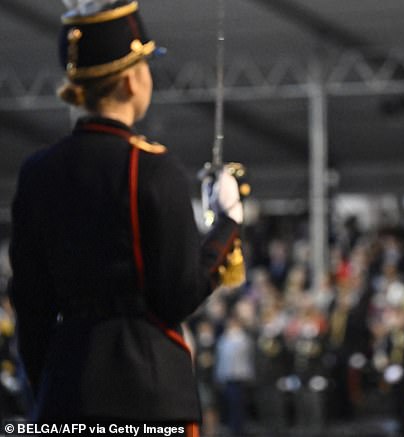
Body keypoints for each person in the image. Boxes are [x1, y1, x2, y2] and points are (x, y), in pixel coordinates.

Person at [8, 0, 244, 433]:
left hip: (64, 395)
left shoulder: (37, 172)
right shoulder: (153, 168)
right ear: (132, 80)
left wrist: (49, 389)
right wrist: (227, 223)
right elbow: (178, 294)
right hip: (150, 397)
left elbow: (30, 306)